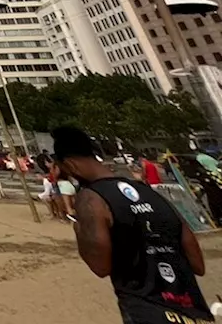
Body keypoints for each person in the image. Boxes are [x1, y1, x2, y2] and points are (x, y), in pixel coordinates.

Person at [52, 126, 211, 324]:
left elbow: (100, 266)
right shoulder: (151, 193)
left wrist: (79, 228)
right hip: (196, 313)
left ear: (70, 165)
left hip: (146, 311)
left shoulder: (90, 198)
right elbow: (198, 264)